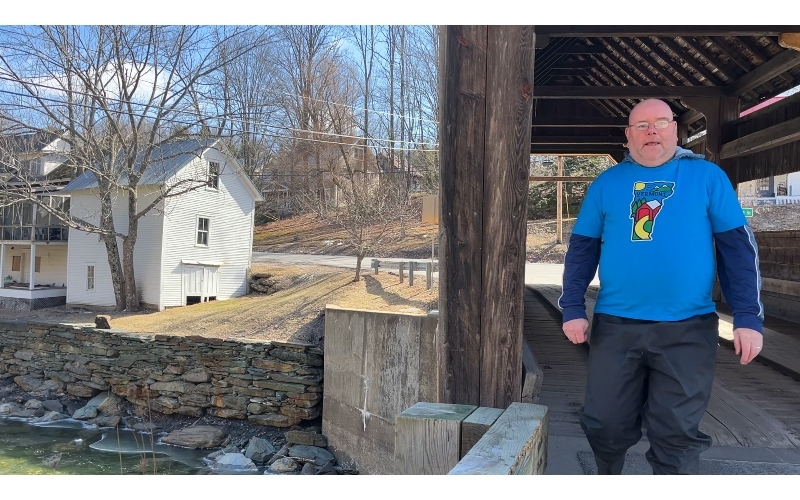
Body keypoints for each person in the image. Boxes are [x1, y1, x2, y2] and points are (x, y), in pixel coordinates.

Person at [559, 98, 764, 475]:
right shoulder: (607, 184)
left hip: (688, 328)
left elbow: (737, 249)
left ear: (675, 129)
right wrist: (572, 307)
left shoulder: (707, 177)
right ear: (627, 136)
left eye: (660, 123)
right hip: (617, 325)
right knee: (604, 422)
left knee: (676, 433)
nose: (651, 131)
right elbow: (582, 249)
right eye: (641, 125)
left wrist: (747, 316)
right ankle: (607, 475)